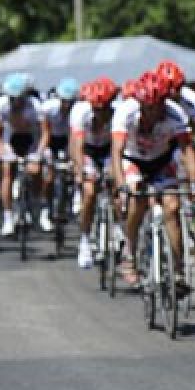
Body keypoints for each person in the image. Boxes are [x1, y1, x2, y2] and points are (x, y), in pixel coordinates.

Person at [110, 71, 195, 286]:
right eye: (147, 107)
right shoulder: (125, 112)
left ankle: (178, 270)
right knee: (136, 199)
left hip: (161, 161)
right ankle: (129, 253)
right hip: (133, 160)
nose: (152, 111)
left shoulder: (175, 114)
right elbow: (117, 151)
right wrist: (121, 186)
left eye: (157, 105)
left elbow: (187, 149)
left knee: (172, 206)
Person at [69, 77, 118, 268]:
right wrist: (81, 171)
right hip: (87, 150)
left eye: (104, 108)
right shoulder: (80, 112)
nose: (100, 113)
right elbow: (77, 146)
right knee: (89, 192)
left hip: (108, 150)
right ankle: (84, 240)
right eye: (96, 108)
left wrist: (114, 170)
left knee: (116, 186)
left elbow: (119, 148)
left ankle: (118, 227)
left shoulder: (118, 113)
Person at [0, 72, 44, 237]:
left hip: (31, 139)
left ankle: (36, 203)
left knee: (36, 171)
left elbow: (44, 133)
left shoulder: (35, 105)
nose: (16, 101)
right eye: (12, 98)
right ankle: (8, 216)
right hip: (10, 139)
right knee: (7, 170)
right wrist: (1, 150)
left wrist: (38, 153)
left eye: (19, 97)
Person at [37, 76, 81, 231]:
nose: (67, 105)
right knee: (48, 177)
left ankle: (75, 196)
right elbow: (45, 134)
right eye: (64, 101)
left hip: (69, 140)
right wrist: (39, 154)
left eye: (70, 101)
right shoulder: (48, 108)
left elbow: (74, 137)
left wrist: (74, 159)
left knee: (76, 168)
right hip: (52, 140)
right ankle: (45, 209)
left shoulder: (78, 110)